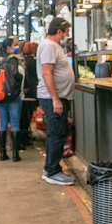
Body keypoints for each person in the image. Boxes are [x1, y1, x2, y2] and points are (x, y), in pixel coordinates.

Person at [36, 17, 75, 186]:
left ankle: (52, 168)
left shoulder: (51, 46)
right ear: (59, 31)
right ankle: (52, 171)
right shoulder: (49, 46)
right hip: (52, 97)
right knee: (57, 132)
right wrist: (55, 99)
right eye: (66, 32)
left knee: (57, 131)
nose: (67, 35)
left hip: (56, 97)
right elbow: (46, 73)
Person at [0, 37, 24, 162]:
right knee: (15, 123)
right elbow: (15, 74)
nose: (16, 47)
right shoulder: (12, 59)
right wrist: (20, 78)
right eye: (14, 45)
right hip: (12, 96)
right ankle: (15, 154)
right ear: (9, 48)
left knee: (3, 123)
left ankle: (2, 153)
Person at [18, 41, 39, 150]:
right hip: (30, 90)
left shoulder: (23, 61)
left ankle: (23, 136)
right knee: (28, 114)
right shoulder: (33, 62)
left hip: (24, 90)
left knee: (23, 115)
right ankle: (25, 136)